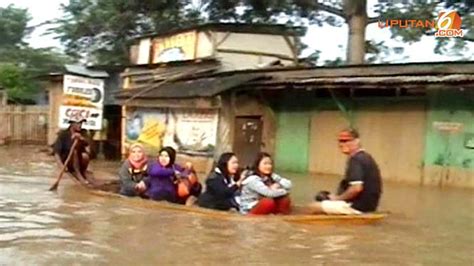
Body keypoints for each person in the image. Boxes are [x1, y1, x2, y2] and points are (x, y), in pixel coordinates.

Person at [308, 128, 383, 214]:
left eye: (346, 141)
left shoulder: (356, 160)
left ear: (357, 141)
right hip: (368, 206)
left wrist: (337, 199)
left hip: (358, 207)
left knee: (312, 207)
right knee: (323, 197)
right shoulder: (365, 157)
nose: (341, 144)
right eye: (340, 141)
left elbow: (356, 188)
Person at [53, 118, 92, 184]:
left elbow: (89, 149)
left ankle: (81, 172)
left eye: (81, 123)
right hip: (67, 160)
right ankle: (78, 173)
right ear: (72, 124)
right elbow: (56, 153)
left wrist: (81, 139)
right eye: (77, 123)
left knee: (85, 156)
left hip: (79, 159)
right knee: (74, 152)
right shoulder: (63, 134)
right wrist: (61, 166)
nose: (80, 125)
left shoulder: (84, 133)